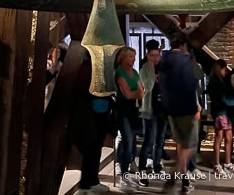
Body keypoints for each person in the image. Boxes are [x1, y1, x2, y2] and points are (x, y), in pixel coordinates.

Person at [159, 32, 201, 194]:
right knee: (191, 144)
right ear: (183, 45)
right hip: (186, 109)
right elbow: (190, 85)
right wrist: (195, 107)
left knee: (181, 144)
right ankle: (175, 172)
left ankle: (185, 182)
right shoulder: (184, 62)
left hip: (170, 110)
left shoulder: (164, 61)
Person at [70, 52, 112, 194]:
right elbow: (87, 90)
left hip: (100, 113)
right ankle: (85, 185)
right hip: (88, 114)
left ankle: (93, 181)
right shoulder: (87, 67)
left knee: (96, 148)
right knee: (90, 148)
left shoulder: (100, 68)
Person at [114, 46, 144, 193]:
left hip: (132, 110)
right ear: (123, 58)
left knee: (130, 141)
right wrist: (136, 93)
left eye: (134, 56)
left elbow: (141, 93)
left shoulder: (135, 72)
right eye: (131, 56)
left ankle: (125, 172)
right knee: (127, 140)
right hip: (122, 110)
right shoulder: (119, 71)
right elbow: (127, 94)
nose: (133, 59)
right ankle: (123, 175)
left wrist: (136, 93)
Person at [138, 46, 167, 186]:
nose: (156, 58)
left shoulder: (162, 69)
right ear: (147, 56)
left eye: (157, 55)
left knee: (160, 141)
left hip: (162, 110)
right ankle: (142, 171)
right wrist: (151, 74)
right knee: (148, 142)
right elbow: (146, 87)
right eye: (153, 55)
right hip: (149, 111)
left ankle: (157, 167)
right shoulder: (144, 69)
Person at [207, 59, 234, 175]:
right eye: (224, 69)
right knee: (219, 137)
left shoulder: (221, 81)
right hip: (221, 112)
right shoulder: (216, 83)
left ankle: (227, 162)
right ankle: (217, 164)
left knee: (229, 137)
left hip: (226, 112)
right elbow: (223, 99)